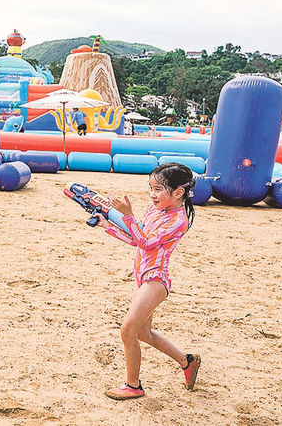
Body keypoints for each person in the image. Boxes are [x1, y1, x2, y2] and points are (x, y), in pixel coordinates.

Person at [93, 162, 200, 400]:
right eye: (150, 187)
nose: (152, 194)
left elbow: (147, 242)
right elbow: (136, 238)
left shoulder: (177, 220)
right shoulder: (156, 211)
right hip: (143, 277)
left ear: (178, 192)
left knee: (128, 331)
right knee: (143, 333)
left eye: (158, 189)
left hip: (155, 280)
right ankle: (187, 361)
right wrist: (108, 226)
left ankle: (133, 386)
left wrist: (128, 215)